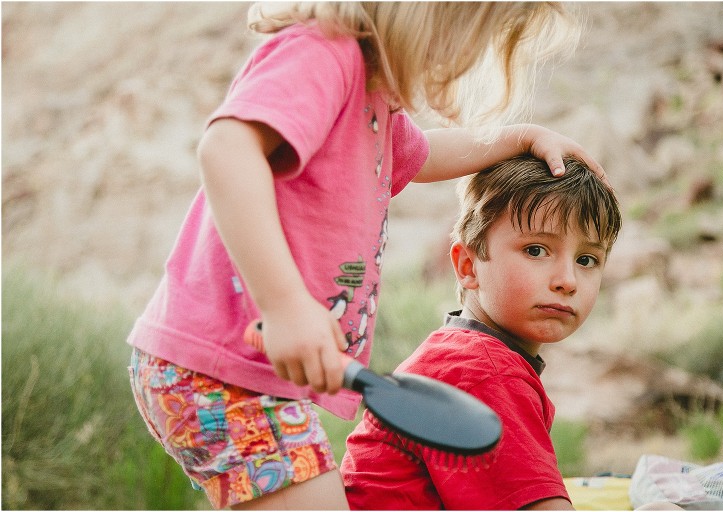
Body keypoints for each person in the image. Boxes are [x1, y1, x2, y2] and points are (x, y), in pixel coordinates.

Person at [127, 3, 605, 510]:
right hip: (228, 364)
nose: (467, 63)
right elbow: (226, 148)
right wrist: (285, 305)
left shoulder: (372, 97)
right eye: (472, 41)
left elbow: (423, 156)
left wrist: (521, 138)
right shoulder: (324, 54)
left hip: (250, 372)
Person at [341, 155, 622, 510]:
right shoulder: (483, 370)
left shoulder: (465, 352)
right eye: (536, 250)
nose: (567, 281)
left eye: (587, 260)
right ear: (468, 266)